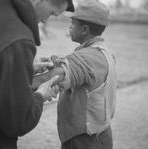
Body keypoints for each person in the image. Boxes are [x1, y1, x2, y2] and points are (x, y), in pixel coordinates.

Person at [0, 0, 74, 149]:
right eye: (51, 13)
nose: (46, 20)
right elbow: (17, 122)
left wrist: (18, 69)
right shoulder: (17, 40)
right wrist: (40, 96)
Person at [32, 0, 117, 148]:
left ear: (84, 29)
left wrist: (14, 82)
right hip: (99, 135)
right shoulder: (102, 51)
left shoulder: (87, 57)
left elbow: (50, 77)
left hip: (85, 140)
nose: (69, 26)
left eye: (73, 22)